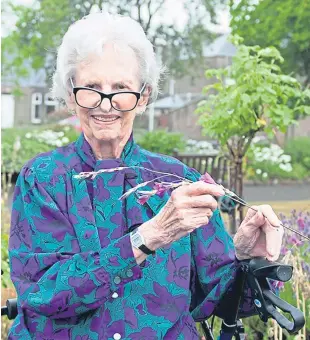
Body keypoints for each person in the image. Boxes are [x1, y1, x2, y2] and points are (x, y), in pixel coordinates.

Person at [8, 11, 283, 340]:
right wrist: (148, 236)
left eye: (121, 88)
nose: (106, 104)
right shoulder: (43, 179)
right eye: (91, 87)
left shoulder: (180, 180)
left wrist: (245, 258)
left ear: (144, 97)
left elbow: (220, 301)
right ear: (70, 96)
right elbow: (44, 294)